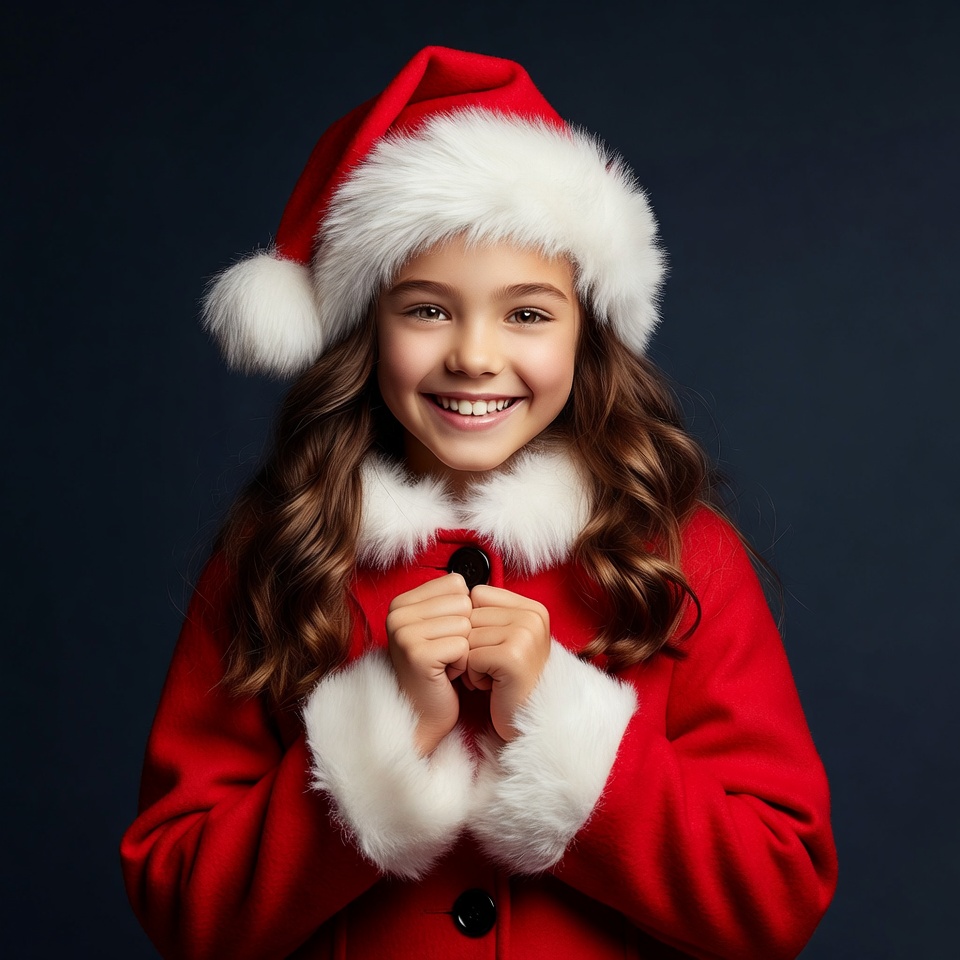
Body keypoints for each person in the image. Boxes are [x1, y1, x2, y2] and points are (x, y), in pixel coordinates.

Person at [121, 46, 837, 960]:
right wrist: (382, 734)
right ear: (364, 329)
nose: (474, 356)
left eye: (527, 314)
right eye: (427, 309)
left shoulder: (680, 555)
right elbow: (182, 905)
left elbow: (776, 897)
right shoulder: (279, 553)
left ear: (589, 330)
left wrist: (564, 731)